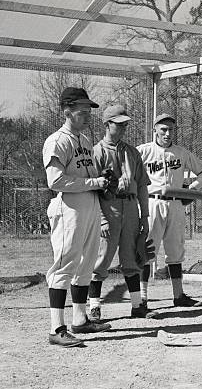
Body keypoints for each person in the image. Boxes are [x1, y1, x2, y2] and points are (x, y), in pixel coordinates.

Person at [42, 87, 112, 348]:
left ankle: (80, 320)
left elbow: (89, 175)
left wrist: (103, 178)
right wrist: (95, 180)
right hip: (68, 209)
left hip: (89, 207)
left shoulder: (83, 141)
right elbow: (56, 180)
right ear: (67, 111)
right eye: (82, 111)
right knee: (64, 264)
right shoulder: (57, 141)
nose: (87, 115)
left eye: (88, 111)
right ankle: (56, 328)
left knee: (86, 263)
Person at [136, 113, 202, 308]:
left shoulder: (181, 152)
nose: (168, 133)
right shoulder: (143, 151)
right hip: (152, 203)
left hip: (176, 204)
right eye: (163, 129)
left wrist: (191, 188)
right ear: (155, 130)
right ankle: (142, 298)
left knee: (176, 250)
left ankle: (179, 296)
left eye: (171, 130)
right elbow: (129, 175)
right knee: (147, 250)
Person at [87, 104, 153, 321]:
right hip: (109, 206)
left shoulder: (132, 152)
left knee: (132, 256)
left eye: (125, 124)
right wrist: (102, 218)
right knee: (102, 258)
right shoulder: (96, 152)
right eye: (119, 124)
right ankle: (94, 306)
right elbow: (92, 191)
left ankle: (137, 305)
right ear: (107, 124)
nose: (124, 127)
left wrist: (144, 216)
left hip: (131, 206)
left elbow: (142, 186)